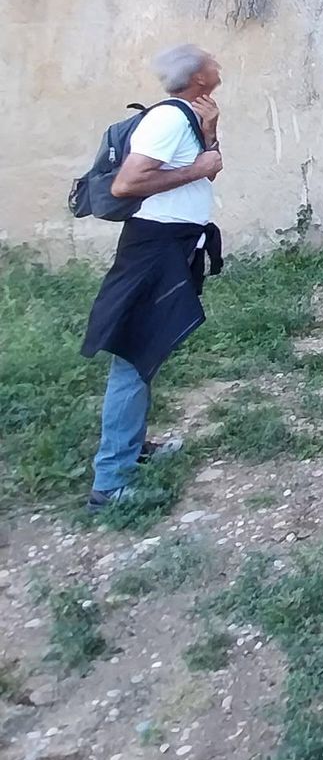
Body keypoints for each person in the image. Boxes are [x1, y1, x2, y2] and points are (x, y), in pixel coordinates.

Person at [80, 44, 225, 509]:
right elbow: (127, 184)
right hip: (154, 249)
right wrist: (199, 166)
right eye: (211, 61)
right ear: (198, 77)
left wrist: (210, 136)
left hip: (174, 245)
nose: (217, 64)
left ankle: (132, 446)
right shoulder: (166, 120)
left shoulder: (191, 116)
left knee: (149, 349)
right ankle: (110, 482)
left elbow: (206, 173)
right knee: (133, 355)